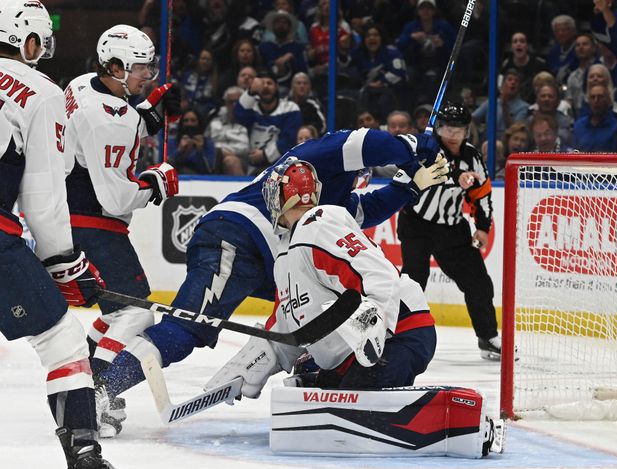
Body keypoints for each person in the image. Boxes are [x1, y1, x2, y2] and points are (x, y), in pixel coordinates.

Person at [95, 127, 447, 433]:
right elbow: (371, 142)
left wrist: (407, 186)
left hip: (260, 249)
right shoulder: (315, 160)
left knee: (303, 311)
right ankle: (102, 389)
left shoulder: (318, 217)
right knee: (186, 327)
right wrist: (414, 148)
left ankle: (101, 386)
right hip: (236, 234)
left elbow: (367, 215)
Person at [205, 163, 502, 459]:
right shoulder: (285, 254)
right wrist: (251, 365)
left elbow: (378, 275)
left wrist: (374, 319)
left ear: (278, 198)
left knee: (349, 416)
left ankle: (468, 423)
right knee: (313, 391)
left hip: (400, 333)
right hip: (356, 352)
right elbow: (288, 325)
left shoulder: (319, 225)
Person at [0, 0, 113, 468]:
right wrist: (66, 263)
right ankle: (83, 453)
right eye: (39, 43)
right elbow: (43, 199)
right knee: (63, 340)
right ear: (25, 40)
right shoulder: (41, 91)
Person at [64, 24, 181, 395]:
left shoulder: (82, 84)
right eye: (141, 67)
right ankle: (95, 394)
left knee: (117, 313)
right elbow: (115, 199)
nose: (149, 75)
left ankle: (79, 384)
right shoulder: (108, 120)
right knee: (137, 312)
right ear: (116, 68)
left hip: (68, 216)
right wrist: (154, 185)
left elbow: (114, 123)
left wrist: (150, 116)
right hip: (93, 224)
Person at [397, 102, 501, 360]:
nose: (452, 133)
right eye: (447, 127)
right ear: (439, 128)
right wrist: (458, 178)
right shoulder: (427, 150)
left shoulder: (473, 157)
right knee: (413, 282)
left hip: (452, 228)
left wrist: (483, 227)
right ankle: (398, 335)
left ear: (467, 131)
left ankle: (488, 337)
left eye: (458, 129)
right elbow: (435, 176)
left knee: (478, 282)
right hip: (416, 224)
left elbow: (482, 194)